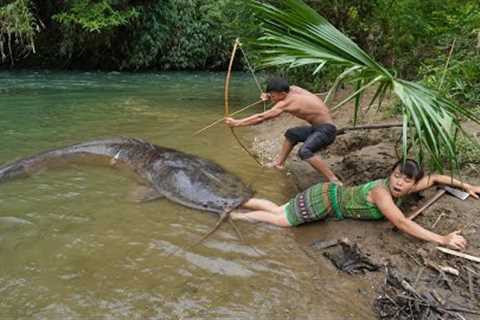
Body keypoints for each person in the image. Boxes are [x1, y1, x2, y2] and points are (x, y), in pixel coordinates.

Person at [231, 159, 480, 250]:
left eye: (406, 180)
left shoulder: (407, 186)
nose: (399, 183)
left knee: (278, 209)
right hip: (324, 201)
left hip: (328, 192)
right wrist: (442, 239)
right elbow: (402, 222)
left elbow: (436, 177)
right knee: (281, 220)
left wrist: (466, 186)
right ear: (390, 173)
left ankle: (240, 203)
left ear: (412, 183)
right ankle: (237, 217)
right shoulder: (382, 192)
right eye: (396, 176)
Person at [224, 77, 341, 184]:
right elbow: (286, 91)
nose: (272, 98)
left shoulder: (286, 103)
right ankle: (279, 163)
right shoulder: (294, 90)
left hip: (326, 131)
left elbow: (262, 117)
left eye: (273, 96)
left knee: (304, 152)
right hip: (318, 128)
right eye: (271, 94)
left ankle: (333, 179)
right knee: (291, 134)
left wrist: (237, 123)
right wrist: (269, 96)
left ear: (283, 94)